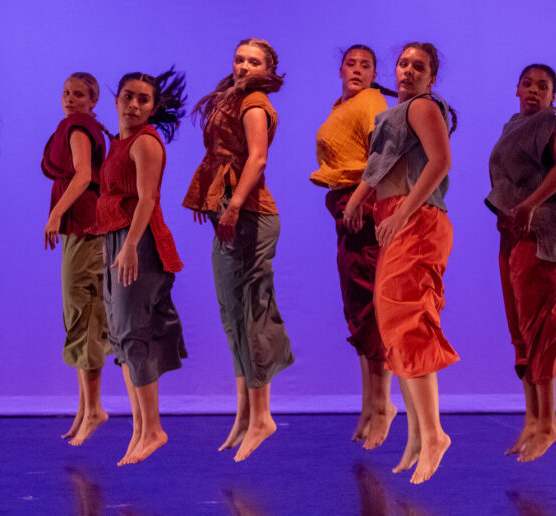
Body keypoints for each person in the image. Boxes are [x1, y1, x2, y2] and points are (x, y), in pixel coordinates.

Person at [342, 42, 459, 484]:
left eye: (419, 66)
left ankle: (434, 435)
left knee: (410, 324)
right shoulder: (401, 110)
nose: (408, 71)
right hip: (396, 217)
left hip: (417, 220)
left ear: (432, 77)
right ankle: (415, 435)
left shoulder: (425, 107)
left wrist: (404, 213)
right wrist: (361, 200)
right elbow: (380, 165)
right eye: (404, 64)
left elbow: (440, 161)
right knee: (394, 329)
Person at [184, 38, 295, 462]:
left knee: (252, 313)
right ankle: (245, 413)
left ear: (267, 68)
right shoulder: (230, 97)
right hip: (228, 214)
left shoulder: (254, 104)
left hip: (250, 215)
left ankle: (263, 415)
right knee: (232, 314)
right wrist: (211, 200)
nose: (244, 66)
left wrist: (230, 206)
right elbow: (219, 157)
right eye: (239, 59)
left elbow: (257, 159)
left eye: (254, 61)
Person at [485, 63, 556, 463]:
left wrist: (529, 204)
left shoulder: (550, 121)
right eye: (528, 84)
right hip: (514, 233)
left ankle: (549, 422)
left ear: (554, 96)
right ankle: (531, 418)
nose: (534, 91)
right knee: (521, 329)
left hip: (542, 237)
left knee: (538, 328)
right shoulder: (513, 125)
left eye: (544, 87)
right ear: (516, 88)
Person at [94, 69, 188, 466]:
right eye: (128, 97)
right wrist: (108, 245)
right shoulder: (119, 142)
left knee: (134, 333)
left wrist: (130, 246)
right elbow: (113, 199)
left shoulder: (147, 142)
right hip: (117, 241)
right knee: (119, 337)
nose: (133, 105)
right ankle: (139, 427)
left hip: (141, 241)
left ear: (153, 107)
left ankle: (153, 428)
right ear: (116, 100)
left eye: (143, 100)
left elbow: (148, 199)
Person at [309, 44, 396, 449]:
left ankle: (383, 406)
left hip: (363, 205)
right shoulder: (342, 104)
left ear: (375, 73)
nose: (357, 70)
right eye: (351, 63)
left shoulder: (372, 103)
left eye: (366, 65)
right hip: (344, 205)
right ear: (340, 68)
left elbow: (382, 160)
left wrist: (362, 200)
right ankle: (369, 404)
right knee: (358, 308)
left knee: (372, 306)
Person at [41, 72, 112, 446]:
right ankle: (84, 408)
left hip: (86, 228)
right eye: (66, 92)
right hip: (81, 229)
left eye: (79, 94)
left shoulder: (81, 126)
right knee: (77, 312)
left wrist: (56, 214)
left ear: (92, 101)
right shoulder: (74, 124)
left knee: (84, 312)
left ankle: (95, 408)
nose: (70, 99)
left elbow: (84, 175)